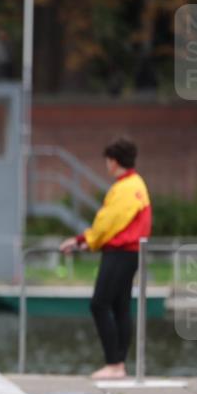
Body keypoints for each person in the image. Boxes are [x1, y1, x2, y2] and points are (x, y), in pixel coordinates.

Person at [59, 138, 152, 380]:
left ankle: (114, 363)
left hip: (120, 253)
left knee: (99, 304)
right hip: (131, 253)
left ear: (113, 161)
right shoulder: (137, 184)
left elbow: (106, 225)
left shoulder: (123, 188)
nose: (106, 165)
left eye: (107, 161)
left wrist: (81, 240)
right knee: (120, 307)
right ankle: (119, 364)